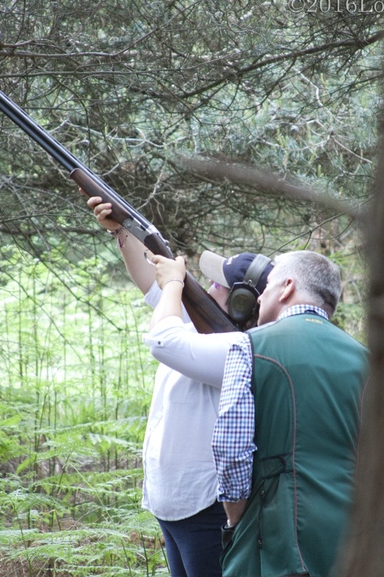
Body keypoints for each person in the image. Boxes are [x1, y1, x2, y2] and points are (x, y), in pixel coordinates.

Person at [87, 195, 274, 577]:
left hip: (204, 507)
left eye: (218, 285)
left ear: (241, 303)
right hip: (171, 501)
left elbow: (163, 341)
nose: (206, 286)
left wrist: (175, 284)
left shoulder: (236, 349)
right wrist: (122, 230)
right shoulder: (195, 326)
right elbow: (151, 285)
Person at [211, 251, 369, 577]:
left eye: (267, 285)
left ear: (286, 288)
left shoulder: (250, 346)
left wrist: (236, 518)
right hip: (352, 535)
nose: (260, 297)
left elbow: (231, 448)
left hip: (274, 536)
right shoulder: (367, 358)